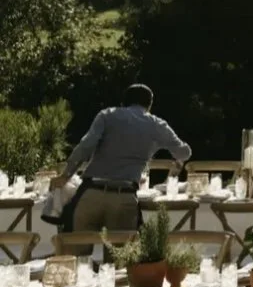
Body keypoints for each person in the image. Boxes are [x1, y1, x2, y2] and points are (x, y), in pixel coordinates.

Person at [52, 84, 192, 242]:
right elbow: (184, 153)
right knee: (120, 261)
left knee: (75, 256)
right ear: (150, 104)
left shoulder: (107, 115)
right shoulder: (157, 125)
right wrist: (158, 145)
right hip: (124, 196)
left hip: (91, 193)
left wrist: (66, 175)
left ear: (123, 102)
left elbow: (85, 147)